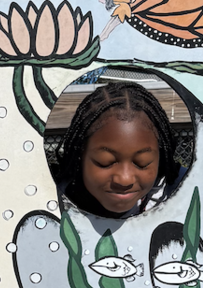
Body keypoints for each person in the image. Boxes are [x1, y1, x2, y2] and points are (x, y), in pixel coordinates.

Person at [51, 81, 184, 218]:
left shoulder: (182, 189)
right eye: (105, 162)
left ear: (160, 159)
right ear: (80, 157)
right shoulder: (51, 198)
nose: (124, 179)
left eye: (142, 163)